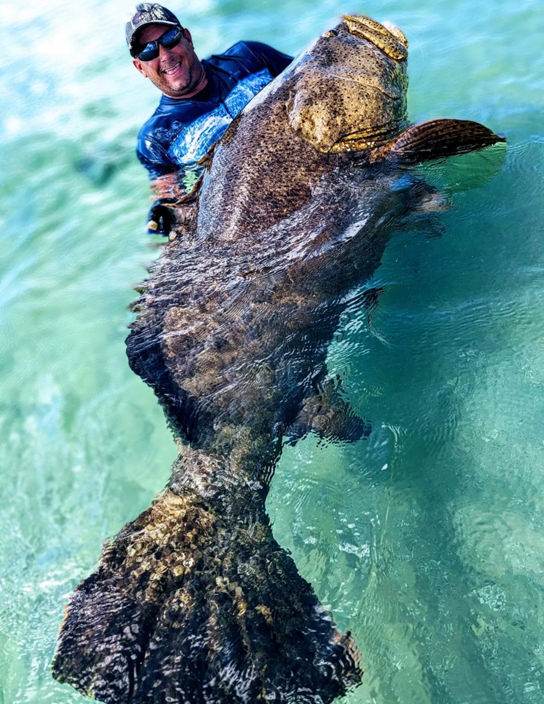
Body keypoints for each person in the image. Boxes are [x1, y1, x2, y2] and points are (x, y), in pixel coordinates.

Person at [126, 3, 292, 236]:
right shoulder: (155, 139)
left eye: (170, 38)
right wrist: (164, 212)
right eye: (148, 51)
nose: (164, 54)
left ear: (187, 38)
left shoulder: (251, 58)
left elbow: (311, 79)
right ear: (140, 68)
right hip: (259, 220)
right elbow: (171, 197)